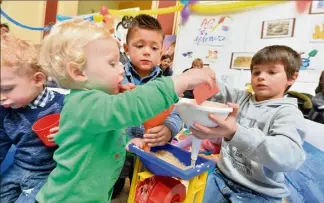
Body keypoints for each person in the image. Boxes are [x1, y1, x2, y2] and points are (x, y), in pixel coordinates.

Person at [35, 18, 214, 203]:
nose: (121, 67)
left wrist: (128, 141)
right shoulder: (86, 103)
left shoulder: (92, 100)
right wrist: (183, 80)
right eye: (112, 63)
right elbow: (131, 105)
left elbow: (103, 136)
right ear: (79, 73)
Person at [190, 45, 306, 203]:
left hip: (260, 193)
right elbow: (215, 92)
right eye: (256, 72)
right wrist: (206, 76)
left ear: (292, 77)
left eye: (271, 72)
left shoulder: (289, 114)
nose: (261, 77)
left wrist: (235, 133)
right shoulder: (241, 98)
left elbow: (290, 157)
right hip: (220, 178)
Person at [114, 14, 183, 197]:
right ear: (127, 49)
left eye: (153, 48)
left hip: (148, 152)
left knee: (141, 192)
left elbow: (177, 113)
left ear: (161, 52)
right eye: (139, 46)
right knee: (113, 191)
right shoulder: (117, 77)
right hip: (117, 150)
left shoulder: (167, 84)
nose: (147, 52)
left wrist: (168, 129)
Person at [0, 34, 64, 203]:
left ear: (37, 79)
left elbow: (85, 132)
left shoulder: (63, 104)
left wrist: (68, 130)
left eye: (6, 89)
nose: (1, 97)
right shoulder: (5, 111)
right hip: (19, 166)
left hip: (48, 172)